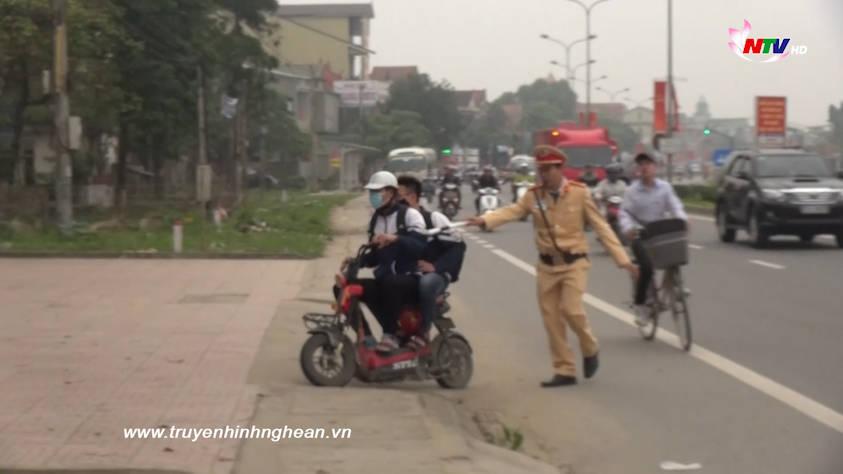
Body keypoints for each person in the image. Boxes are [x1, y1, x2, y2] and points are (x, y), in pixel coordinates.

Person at [467, 145, 637, 387]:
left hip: (574, 262)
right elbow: (512, 211)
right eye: (540, 169)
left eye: (547, 169)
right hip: (546, 266)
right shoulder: (533, 195)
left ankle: (590, 347)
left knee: (572, 310)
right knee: (552, 321)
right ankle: (564, 369)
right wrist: (485, 219)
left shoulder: (580, 193)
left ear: (560, 169)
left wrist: (623, 260)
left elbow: (601, 226)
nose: (543, 174)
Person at [338, 171, 428, 352]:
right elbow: (376, 257)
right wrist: (357, 261)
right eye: (372, 192)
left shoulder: (410, 215)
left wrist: (396, 239)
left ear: (392, 193)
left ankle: (391, 335)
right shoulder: (375, 220)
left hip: (410, 277)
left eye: (379, 191)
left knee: (389, 282)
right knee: (343, 288)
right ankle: (367, 337)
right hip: (386, 279)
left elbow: (420, 246)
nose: (374, 196)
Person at [397, 176, 467, 349]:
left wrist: (436, 267)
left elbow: (458, 246)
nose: (395, 201)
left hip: (435, 275)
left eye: (398, 196)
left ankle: (423, 332)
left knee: (426, 283)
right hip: (410, 274)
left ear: (412, 197)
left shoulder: (434, 219)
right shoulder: (397, 223)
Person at [619, 153, 688, 327]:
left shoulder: (665, 188)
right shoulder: (631, 191)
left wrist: (682, 219)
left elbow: (675, 205)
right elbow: (623, 213)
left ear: (655, 167)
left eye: (648, 163)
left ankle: (676, 286)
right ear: (637, 169)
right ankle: (641, 304)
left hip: (660, 232)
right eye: (641, 164)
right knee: (647, 268)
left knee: (676, 253)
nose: (645, 167)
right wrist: (628, 229)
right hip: (640, 234)